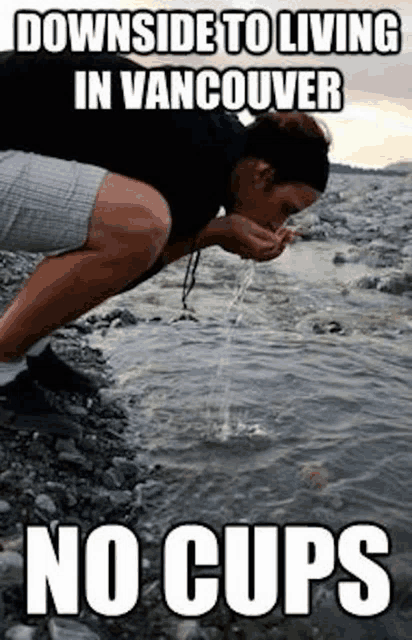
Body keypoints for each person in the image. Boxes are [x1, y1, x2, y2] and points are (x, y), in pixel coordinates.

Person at [0, 50, 330, 434]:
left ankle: (30, 341)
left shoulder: (215, 135)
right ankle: (4, 364)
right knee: (139, 224)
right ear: (262, 175)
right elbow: (133, 263)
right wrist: (215, 233)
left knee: (114, 218)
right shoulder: (199, 164)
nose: (279, 223)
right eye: (285, 208)